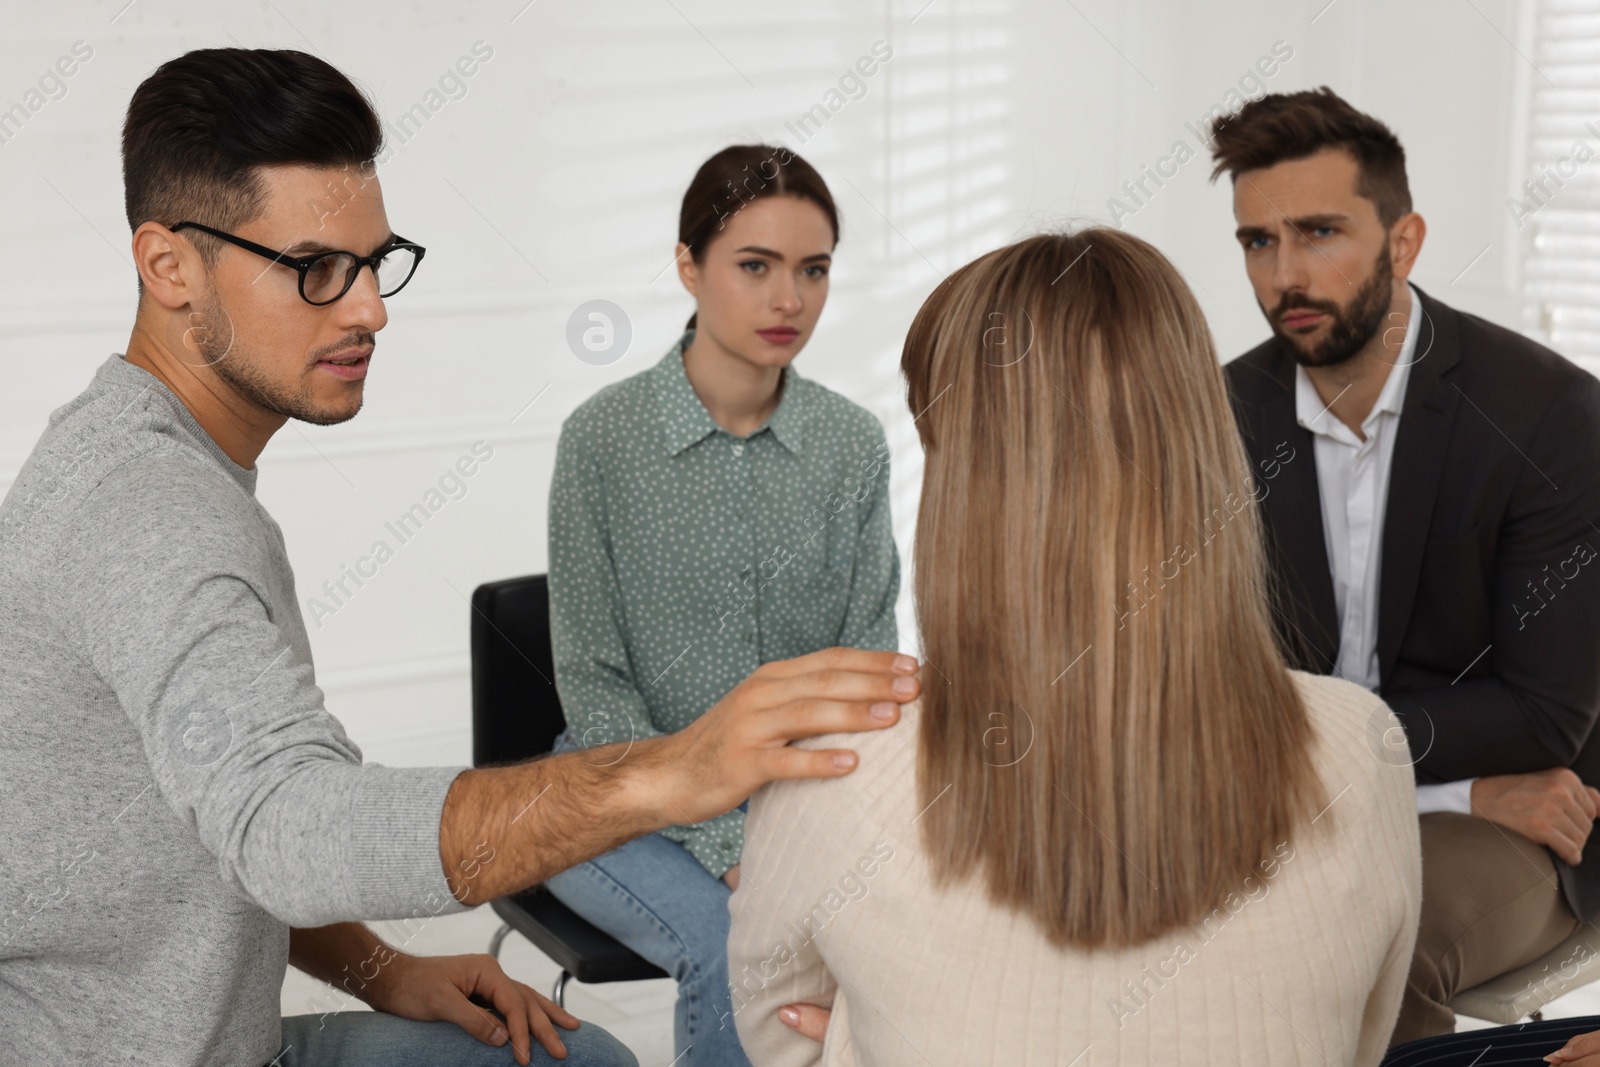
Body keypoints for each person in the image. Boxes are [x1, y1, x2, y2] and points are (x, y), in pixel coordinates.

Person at [0, 51, 921, 1067]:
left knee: (586, 1057)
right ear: (169, 266)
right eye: (316, 268)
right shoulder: (147, 510)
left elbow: (209, 822)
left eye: (375, 261)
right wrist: (671, 770)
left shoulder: (177, 475)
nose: (369, 309)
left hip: (233, 1027)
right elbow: (286, 822)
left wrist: (385, 969)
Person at [725, 228, 1422, 1065]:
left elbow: (778, 1038)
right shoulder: (1362, 743)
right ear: (1201, 448)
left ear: (960, 487)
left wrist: (857, 1033)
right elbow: (1360, 1042)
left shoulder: (837, 764)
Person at [1210, 88, 1600, 1045]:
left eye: (1320, 232)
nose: (1286, 274)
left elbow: (1543, 714)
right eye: (1259, 241)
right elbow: (1209, 696)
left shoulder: (1548, 416)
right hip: (1412, 794)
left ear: (1405, 240)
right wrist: (1453, 782)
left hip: (1526, 827)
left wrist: (1448, 802)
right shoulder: (1218, 418)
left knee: (1367, 944)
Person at [541, 143, 901, 1067]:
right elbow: (596, 687)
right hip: (615, 796)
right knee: (731, 945)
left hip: (800, 801)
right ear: (688, 265)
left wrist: (796, 836)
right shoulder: (602, 443)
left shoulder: (851, 446)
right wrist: (728, 841)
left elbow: (866, 667)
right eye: (755, 266)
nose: (790, 300)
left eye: (813, 270)